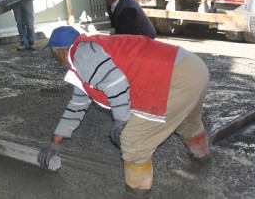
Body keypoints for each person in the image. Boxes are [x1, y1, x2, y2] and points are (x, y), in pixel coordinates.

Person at [37, 26, 210, 196]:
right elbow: (77, 104)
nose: (54, 59)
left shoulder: (82, 55)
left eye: (53, 54)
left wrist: (120, 120)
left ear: (60, 53)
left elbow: (116, 83)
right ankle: (203, 162)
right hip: (193, 67)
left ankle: (136, 192)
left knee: (132, 141)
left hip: (177, 78)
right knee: (188, 123)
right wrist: (56, 140)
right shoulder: (88, 50)